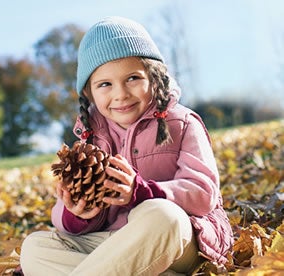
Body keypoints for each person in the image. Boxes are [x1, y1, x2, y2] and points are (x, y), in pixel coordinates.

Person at [20, 16, 233, 275]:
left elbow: (203, 193)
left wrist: (142, 192)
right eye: (105, 84)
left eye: (132, 78)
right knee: (35, 247)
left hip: (183, 240)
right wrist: (77, 213)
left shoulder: (183, 123)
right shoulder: (90, 139)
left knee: (162, 215)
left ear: (155, 77)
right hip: (119, 246)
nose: (120, 93)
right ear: (89, 93)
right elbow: (62, 217)